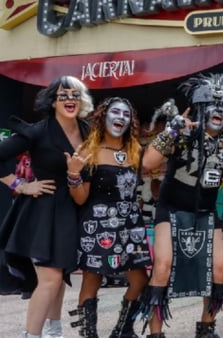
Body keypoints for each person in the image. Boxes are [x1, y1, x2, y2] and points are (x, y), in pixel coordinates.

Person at [139, 74, 223, 338]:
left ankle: (206, 328)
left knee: (221, 269)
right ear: (203, 108)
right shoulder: (185, 131)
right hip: (170, 209)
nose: (218, 111)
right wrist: (171, 129)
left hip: (206, 212)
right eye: (213, 106)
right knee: (162, 267)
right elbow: (147, 163)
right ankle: (155, 333)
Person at [0, 75, 94, 338]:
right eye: (63, 95)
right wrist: (20, 185)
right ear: (53, 101)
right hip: (42, 212)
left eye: (74, 94)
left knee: (61, 276)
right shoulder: (38, 130)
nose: (69, 99)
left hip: (74, 209)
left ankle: (54, 332)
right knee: (50, 279)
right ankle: (31, 335)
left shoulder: (88, 131)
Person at [66, 97, 151, 338]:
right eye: (115, 112)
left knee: (140, 280)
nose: (121, 118)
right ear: (103, 116)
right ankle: (89, 335)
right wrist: (73, 174)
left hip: (129, 224)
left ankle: (123, 330)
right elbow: (80, 198)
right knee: (92, 280)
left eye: (126, 114)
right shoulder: (88, 150)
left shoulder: (135, 150)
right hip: (97, 226)